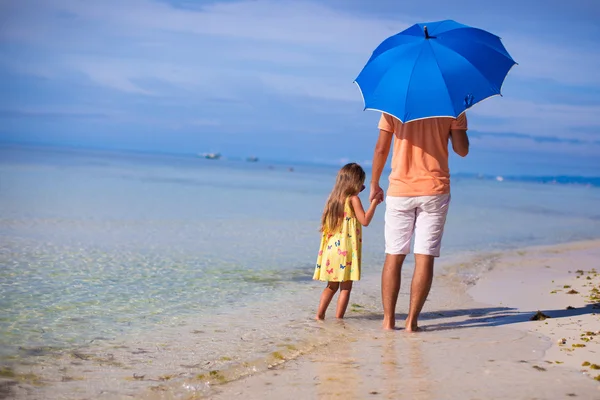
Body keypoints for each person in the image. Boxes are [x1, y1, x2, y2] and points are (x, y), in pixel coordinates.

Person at [369, 112, 469, 331]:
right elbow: (462, 151)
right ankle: (411, 322)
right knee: (424, 257)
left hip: (400, 189)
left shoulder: (393, 105)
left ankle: (388, 321)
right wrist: (450, 131)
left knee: (394, 255)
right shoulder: (453, 105)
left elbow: (381, 149)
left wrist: (375, 183)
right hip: (434, 190)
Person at [314, 163, 383, 320]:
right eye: (361, 184)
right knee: (345, 288)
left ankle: (319, 316)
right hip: (345, 251)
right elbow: (364, 220)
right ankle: (339, 319)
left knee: (331, 286)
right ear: (355, 183)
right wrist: (374, 203)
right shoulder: (354, 199)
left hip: (330, 250)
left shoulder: (332, 200)